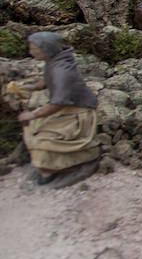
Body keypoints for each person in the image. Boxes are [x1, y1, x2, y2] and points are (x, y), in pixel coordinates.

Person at [16, 32, 102, 187]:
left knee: (43, 139)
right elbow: (47, 80)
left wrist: (33, 114)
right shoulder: (55, 61)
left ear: (46, 49)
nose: (30, 52)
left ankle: (65, 165)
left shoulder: (62, 71)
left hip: (78, 114)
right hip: (67, 108)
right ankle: (49, 164)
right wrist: (32, 87)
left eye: (34, 48)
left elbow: (58, 103)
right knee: (34, 128)